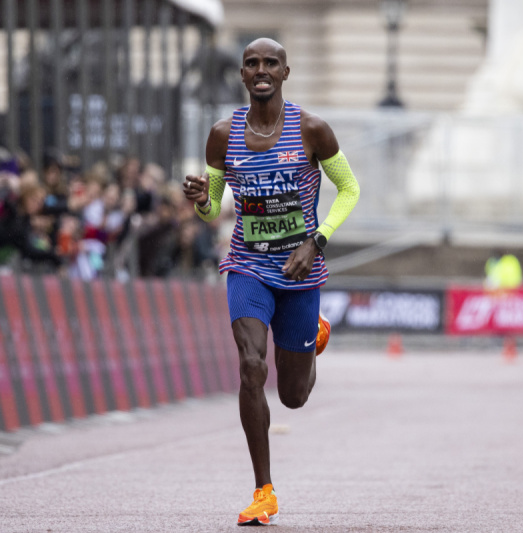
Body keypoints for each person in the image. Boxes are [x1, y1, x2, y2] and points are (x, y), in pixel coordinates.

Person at [183, 37, 360, 526]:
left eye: (270, 63)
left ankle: (314, 332)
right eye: (251, 64)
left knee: (294, 396)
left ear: (285, 72)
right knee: (251, 366)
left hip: (301, 269)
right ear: (242, 75)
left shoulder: (312, 130)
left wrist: (316, 241)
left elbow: (349, 189)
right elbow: (210, 210)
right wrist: (200, 198)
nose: (261, 70)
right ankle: (264, 490)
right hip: (247, 266)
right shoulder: (222, 135)